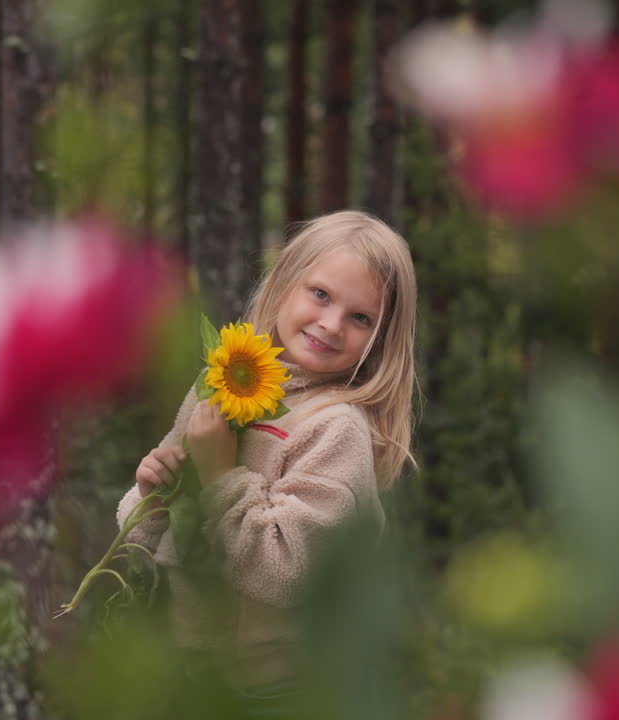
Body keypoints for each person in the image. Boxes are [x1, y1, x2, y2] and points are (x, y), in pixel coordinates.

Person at [115, 209, 418, 705]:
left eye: (361, 318)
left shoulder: (335, 427)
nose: (331, 324)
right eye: (320, 294)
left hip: (277, 691)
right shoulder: (219, 381)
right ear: (284, 283)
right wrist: (152, 493)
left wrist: (220, 475)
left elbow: (287, 572)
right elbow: (144, 540)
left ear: (381, 339)